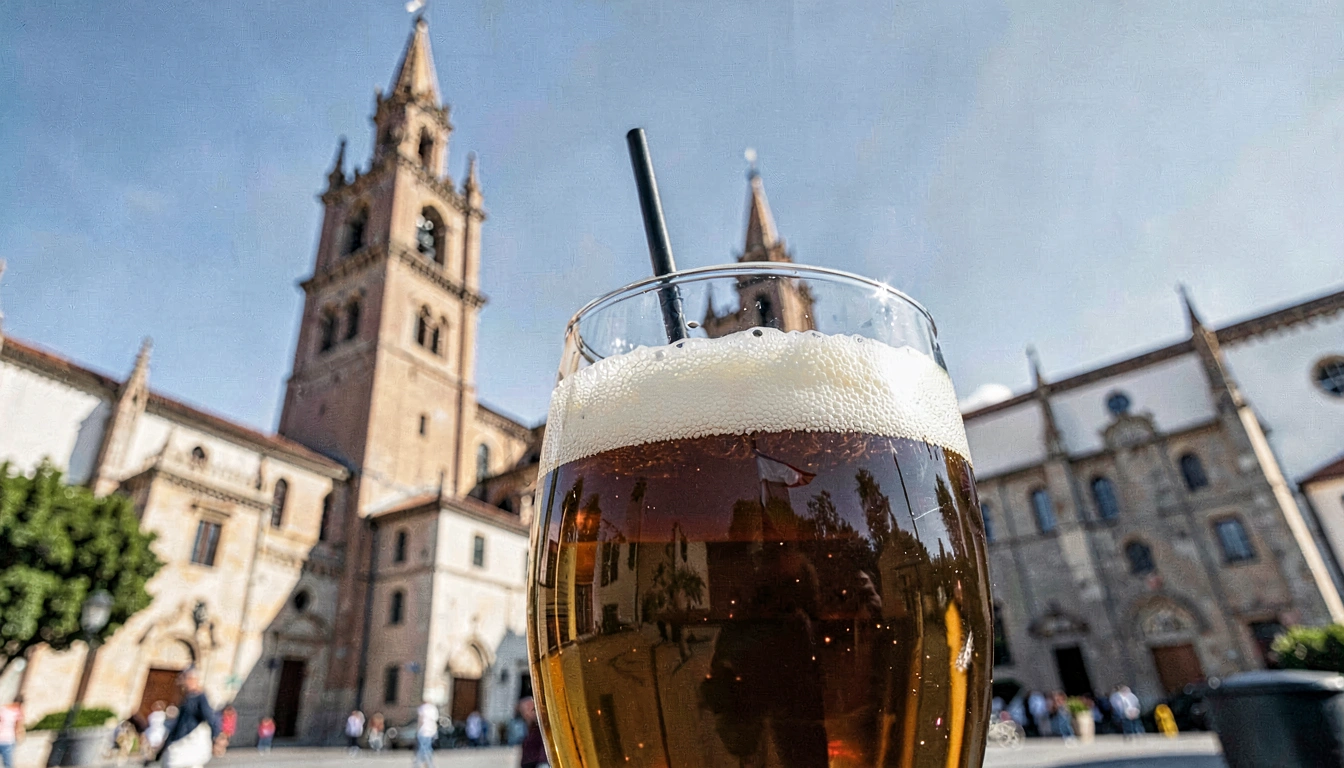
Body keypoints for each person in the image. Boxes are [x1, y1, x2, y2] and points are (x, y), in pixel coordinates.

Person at [159, 668, 225, 768]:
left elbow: (210, 716)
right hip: (180, 740)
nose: (182, 683)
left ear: (193, 680)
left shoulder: (200, 697)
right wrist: (166, 743)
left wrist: (217, 737)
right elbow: (178, 724)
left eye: (184, 679)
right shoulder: (187, 698)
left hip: (190, 741)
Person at [518, 698, 546, 768]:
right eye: (527, 709)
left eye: (533, 709)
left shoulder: (540, 727)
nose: (532, 712)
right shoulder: (528, 728)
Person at [0, 695, 25, 768]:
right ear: (20, 703)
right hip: (8, 740)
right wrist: (20, 736)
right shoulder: (18, 712)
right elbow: (18, 727)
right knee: (8, 764)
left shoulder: (2, 709)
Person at [413, 701, 438, 768]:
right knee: (428, 747)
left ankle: (421, 764)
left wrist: (418, 729)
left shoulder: (422, 708)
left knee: (423, 748)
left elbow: (420, 719)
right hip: (431, 730)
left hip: (423, 730)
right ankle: (428, 764)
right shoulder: (433, 708)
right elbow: (435, 720)